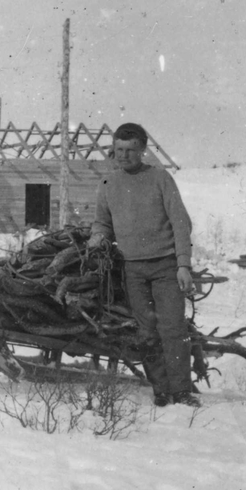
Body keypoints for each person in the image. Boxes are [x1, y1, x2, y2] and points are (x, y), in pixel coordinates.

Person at [88, 123, 198, 407]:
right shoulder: (108, 184)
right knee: (146, 332)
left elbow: (180, 222)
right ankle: (161, 390)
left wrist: (183, 264)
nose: (122, 156)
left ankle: (182, 391)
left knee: (173, 329)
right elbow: (102, 222)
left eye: (129, 150)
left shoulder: (160, 178)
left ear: (142, 151)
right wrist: (98, 238)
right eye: (118, 150)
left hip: (165, 266)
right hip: (133, 270)